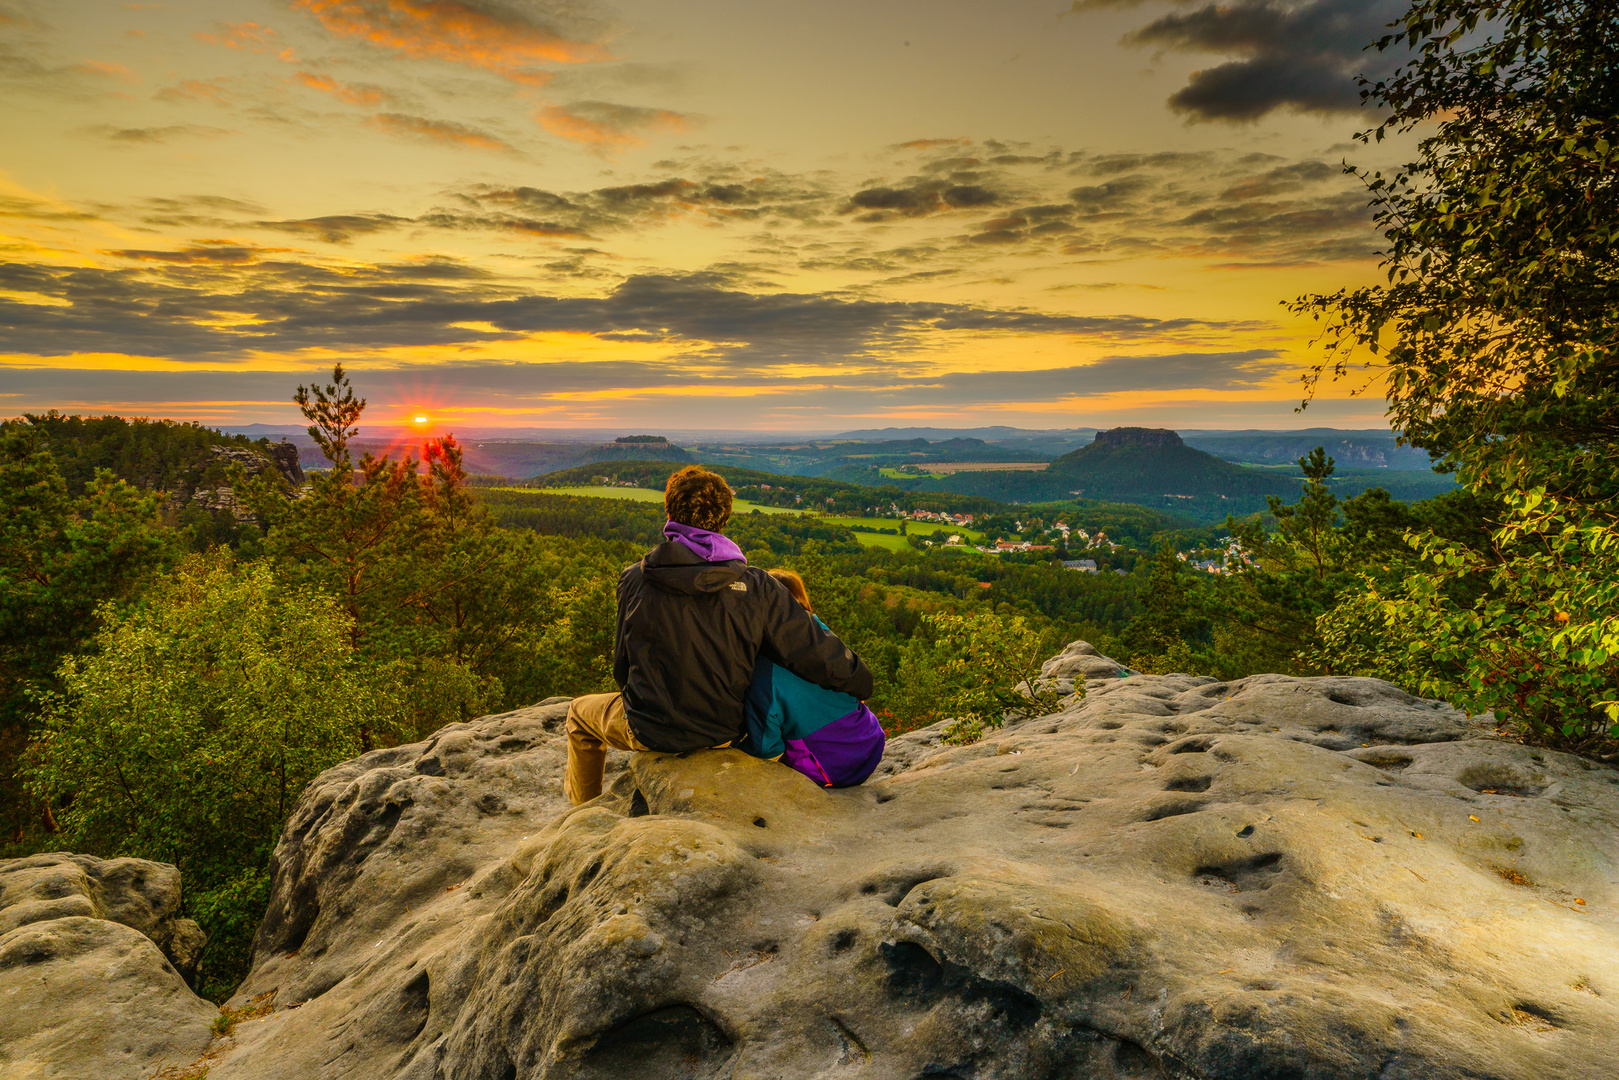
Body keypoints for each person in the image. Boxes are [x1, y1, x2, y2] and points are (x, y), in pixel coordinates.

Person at [564, 466, 874, 804]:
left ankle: (583, 812)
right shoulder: (757, 586)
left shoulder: (634, 580)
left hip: (650, 731)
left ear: (669, 511)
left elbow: (622, 667)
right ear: (724, 516)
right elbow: (813, 652)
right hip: (724, 733)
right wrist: (860, 681)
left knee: (579, 715)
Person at [743, 570, 886, 787]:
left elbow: (765, 747)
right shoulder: (823, 636)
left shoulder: (764, 672)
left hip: (831, 767)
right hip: (871, 741)